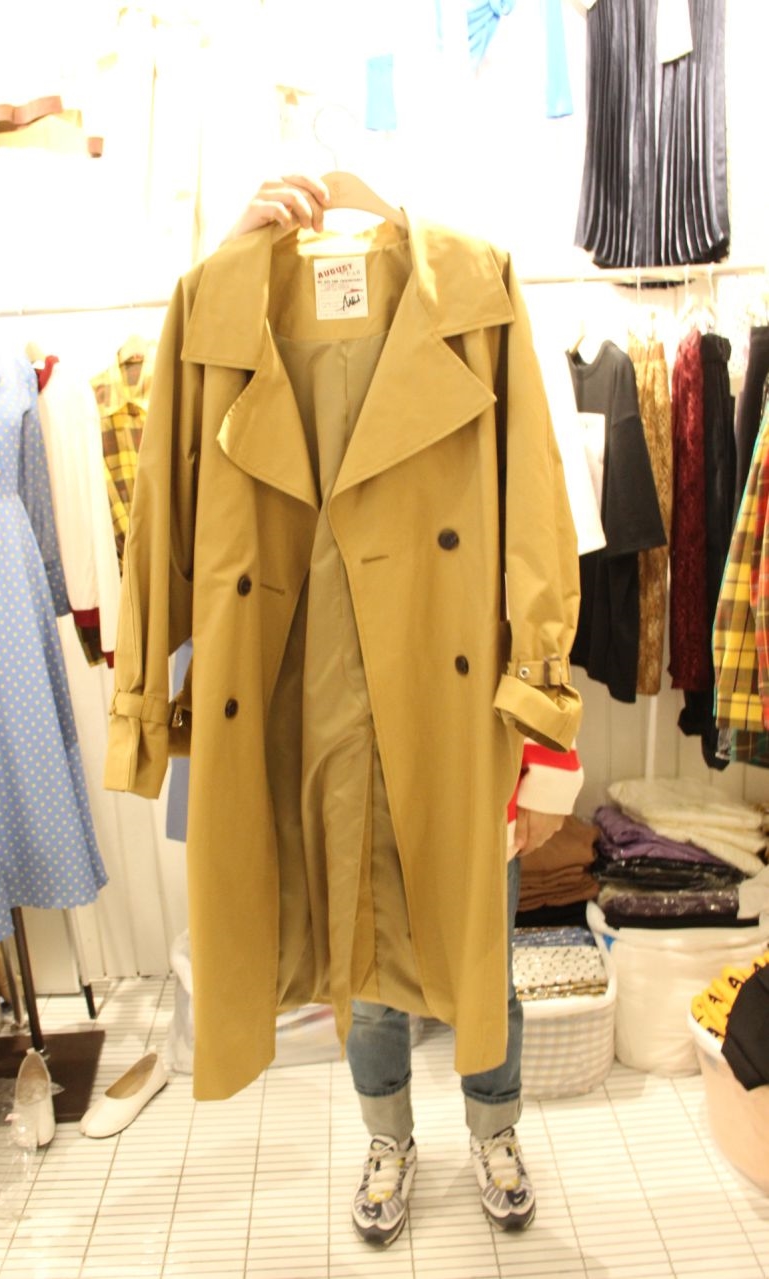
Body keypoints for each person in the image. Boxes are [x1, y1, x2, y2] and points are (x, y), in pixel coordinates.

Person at [226, 175, 584, 1244]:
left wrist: (545, 736)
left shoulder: (475, 298)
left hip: (459, 710)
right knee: (366, 967)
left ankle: (493, 1130)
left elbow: (536, 516)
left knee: (481, 952)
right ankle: (388, 1138)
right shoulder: (245, 313)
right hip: (326, 697)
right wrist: (237, 248)